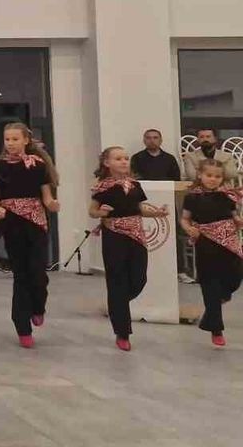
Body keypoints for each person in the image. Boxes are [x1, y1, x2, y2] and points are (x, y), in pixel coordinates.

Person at [89, 146, 170, 351]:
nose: (124, 161)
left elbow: (139, 209)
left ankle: (117, 304)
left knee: (139, 279)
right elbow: (92, 211)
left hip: (136, 235)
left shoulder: (135, 185)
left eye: (126, 158)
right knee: (117, 280)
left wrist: (157, 213)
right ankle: (122, 332)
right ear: (107, 163)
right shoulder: (102, 187)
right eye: (118, 158)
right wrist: (102, 212)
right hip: (114, 236)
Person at [0, 123, 60, 348]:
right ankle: (22, 327)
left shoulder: (37, 165)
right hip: (11, 222)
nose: (10, 143)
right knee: (20, 274)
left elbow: (46, 195)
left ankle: (38, 307)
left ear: (26, 140)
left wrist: (52, 204)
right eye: (7, 139)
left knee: (37, 272)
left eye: (15, 139)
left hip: (36, 221)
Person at [179, 160, 243, 347]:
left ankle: (221, 297)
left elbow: (235, 216)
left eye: (217, 176)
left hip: (229, 243)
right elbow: (185, 219)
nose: (213, 179)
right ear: (200, 175)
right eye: (209, 175)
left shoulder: (227, 196)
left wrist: (238, 220)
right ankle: (216, 330)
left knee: (236, 276)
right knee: (210, 284)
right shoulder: (192, 197)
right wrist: (188, 228)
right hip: (206, 244)